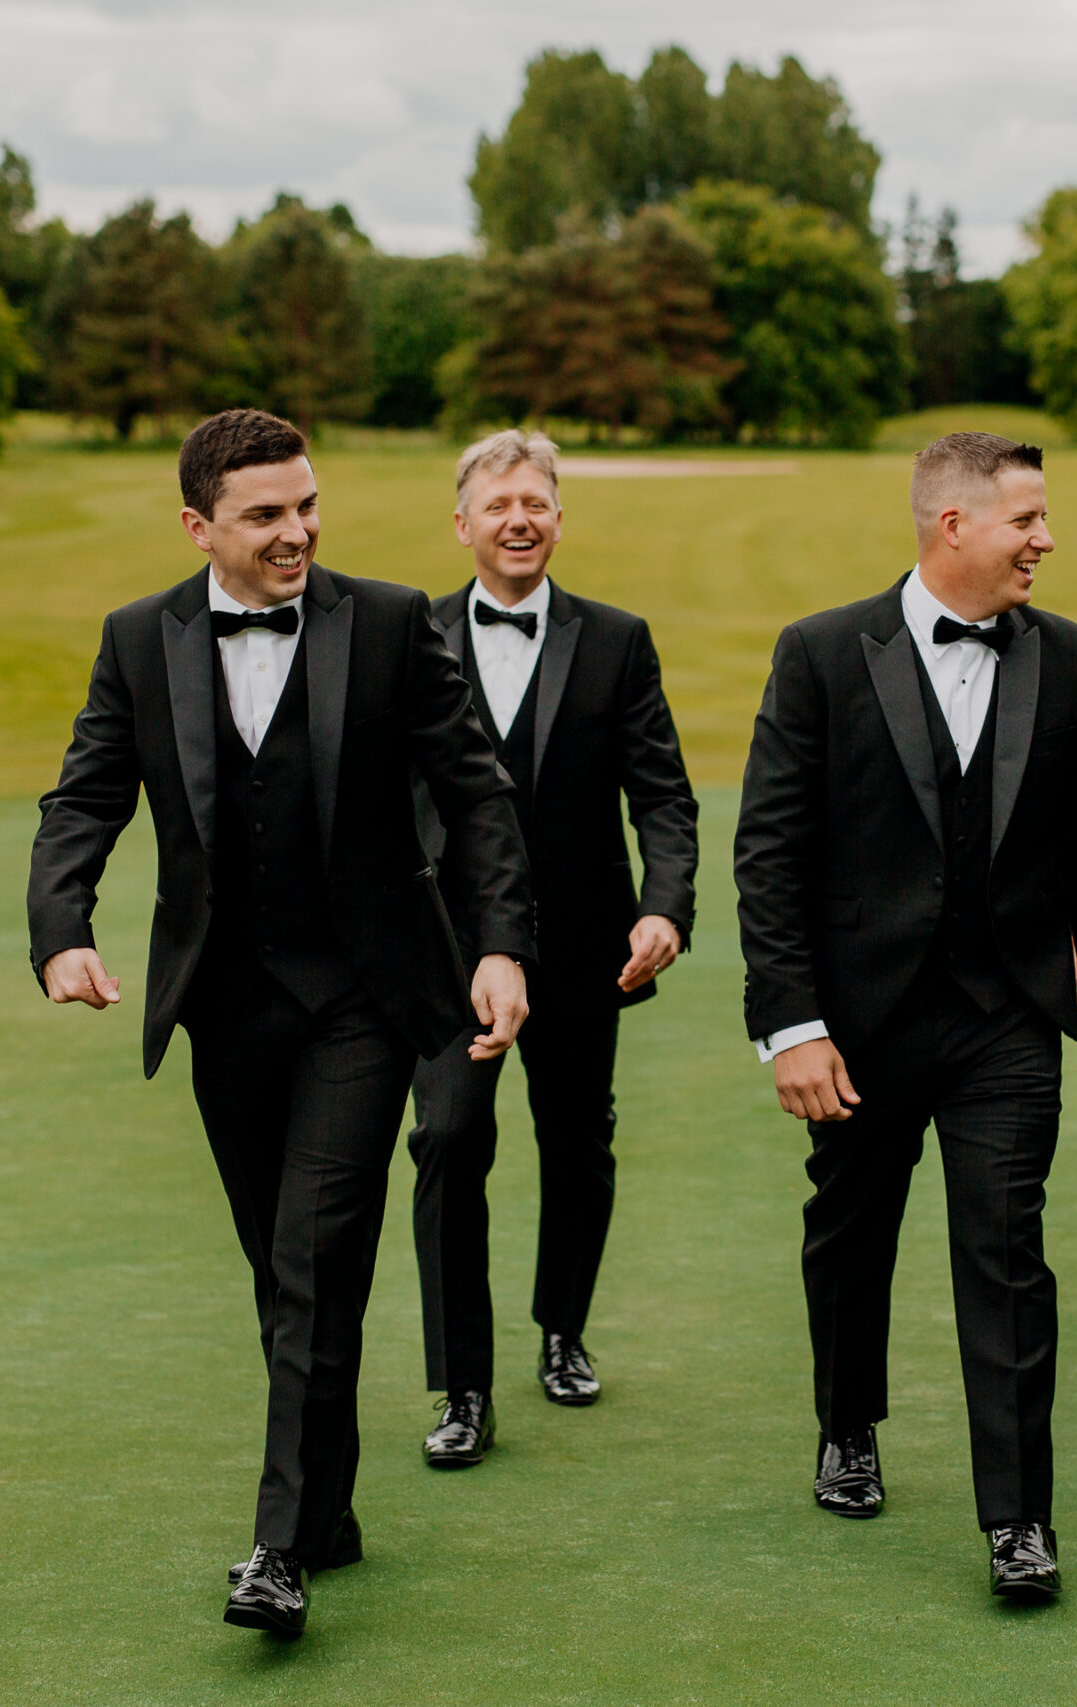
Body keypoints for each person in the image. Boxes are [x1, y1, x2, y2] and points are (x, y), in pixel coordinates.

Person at [27, 409, 534, 1637]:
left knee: (312, 1259)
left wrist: (503, 944)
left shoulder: (394, 622)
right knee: (281, 1268)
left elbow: (475, 794)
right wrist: (62, 928)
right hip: (225, 1008)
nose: (297, 531)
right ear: (199, 525)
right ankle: (331, 1506)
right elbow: (84, 795)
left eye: (307, 505)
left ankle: (275, 1551)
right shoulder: (140, 641)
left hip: (366, 1000)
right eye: (266, 514)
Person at [733, 432, 1077, 1601]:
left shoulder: (1065, 657)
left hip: (1007, 1017)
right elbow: (769, 854)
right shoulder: (819, 654)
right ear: (953, 525)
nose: (1047, 542)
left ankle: (1018, 1518)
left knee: (1007, 1253)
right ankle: (847, 1423)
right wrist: (792, 1026)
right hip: (858, 1025)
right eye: (1028, 521)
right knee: (850, 1236)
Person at [404, 431, 698, 1467]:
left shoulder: (616, 641)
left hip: (585, 951)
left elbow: (661, 793)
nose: (519, 518)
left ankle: (561, 1327)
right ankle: (463, 1386)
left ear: (559, 517)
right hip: (446, 956)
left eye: (536, 501)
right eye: (499, 504)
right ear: (463, 523)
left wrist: (664, 905)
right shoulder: (414, 635)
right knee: (448, 1142)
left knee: (578, 1144)